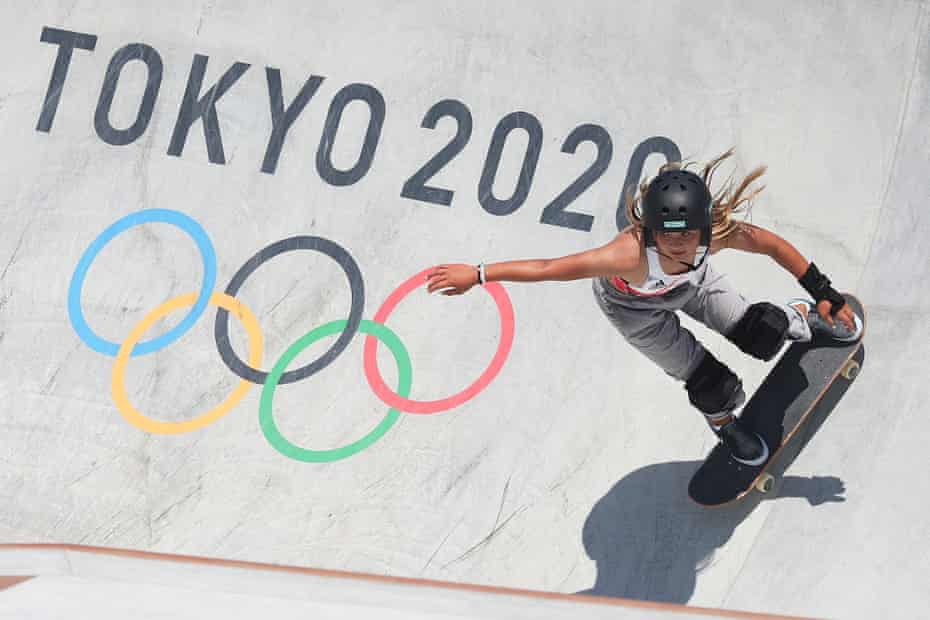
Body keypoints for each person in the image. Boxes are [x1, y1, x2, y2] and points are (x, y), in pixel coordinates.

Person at [425, 148, 863, 466]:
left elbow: (772, 245)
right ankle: (724, 425)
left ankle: (798, 316)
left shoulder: (716, 230)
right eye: (666, 237)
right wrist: (478, 273)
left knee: (763, 333)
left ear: (702, 227)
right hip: (634, 311)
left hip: (695, 287)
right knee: (712, 386)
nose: (678, 245)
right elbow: (549, 267)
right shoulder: (626, 254)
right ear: (650, 230)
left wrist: (823, 290)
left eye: (688, 236)